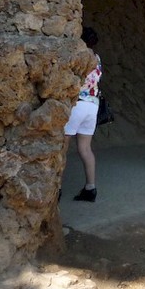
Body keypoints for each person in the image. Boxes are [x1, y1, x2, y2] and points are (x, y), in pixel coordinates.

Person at [63, 26, 102, 202]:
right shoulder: (97, 58)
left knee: (60, 149)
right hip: (92, 105)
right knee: (85, 148)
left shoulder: (80, 57)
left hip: (77, 104)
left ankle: (55, 189)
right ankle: (90, 188)